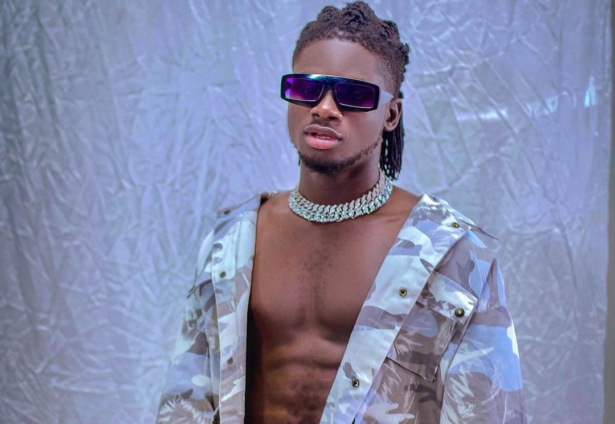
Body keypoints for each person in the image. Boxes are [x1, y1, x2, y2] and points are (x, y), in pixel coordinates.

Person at [155, 2, 526, 423]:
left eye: (353, 95)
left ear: (391, 114)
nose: (325, 108)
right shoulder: (232, 240)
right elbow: (186, 399)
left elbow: (486, 411)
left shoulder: (452, 253)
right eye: (306, 88)